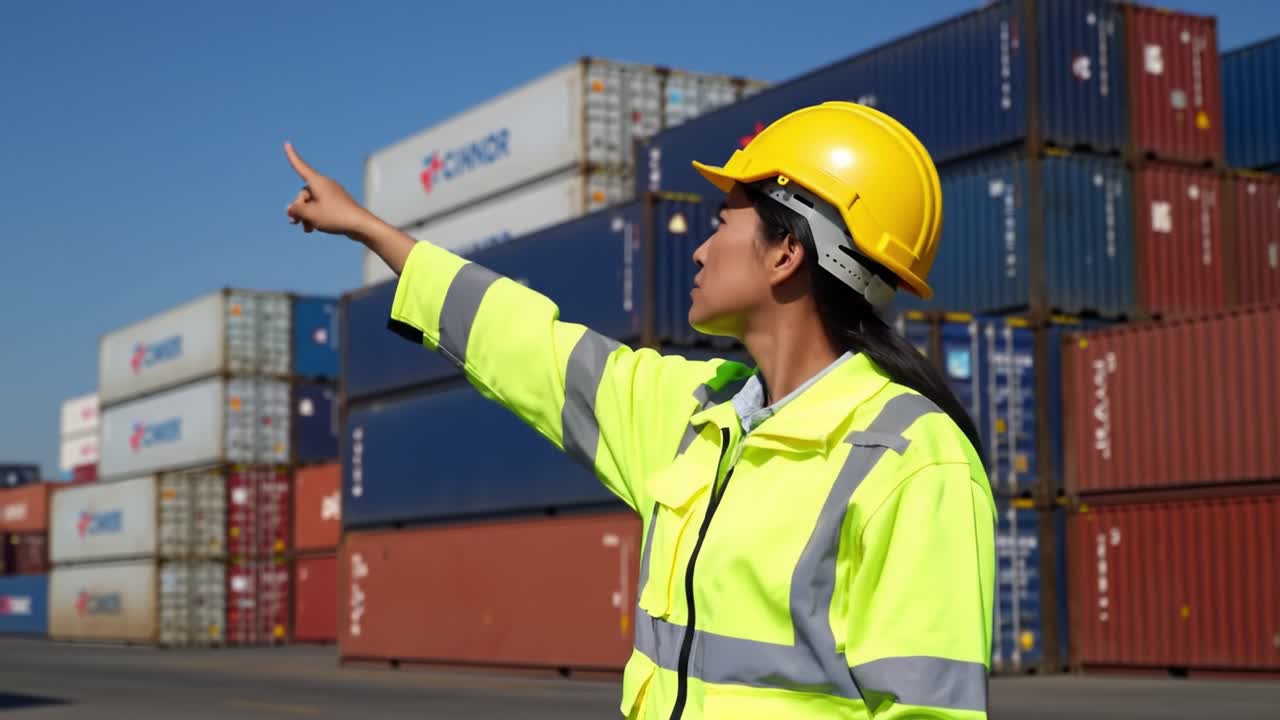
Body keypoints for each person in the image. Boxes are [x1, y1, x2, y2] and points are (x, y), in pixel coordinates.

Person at [284, 100, 995, 720]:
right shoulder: (696, 417)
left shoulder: (911, 461)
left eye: (721, 223)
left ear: (786, 252)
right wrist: (372, 230)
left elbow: (928, 713)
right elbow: (532, 347)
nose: (700, 248)